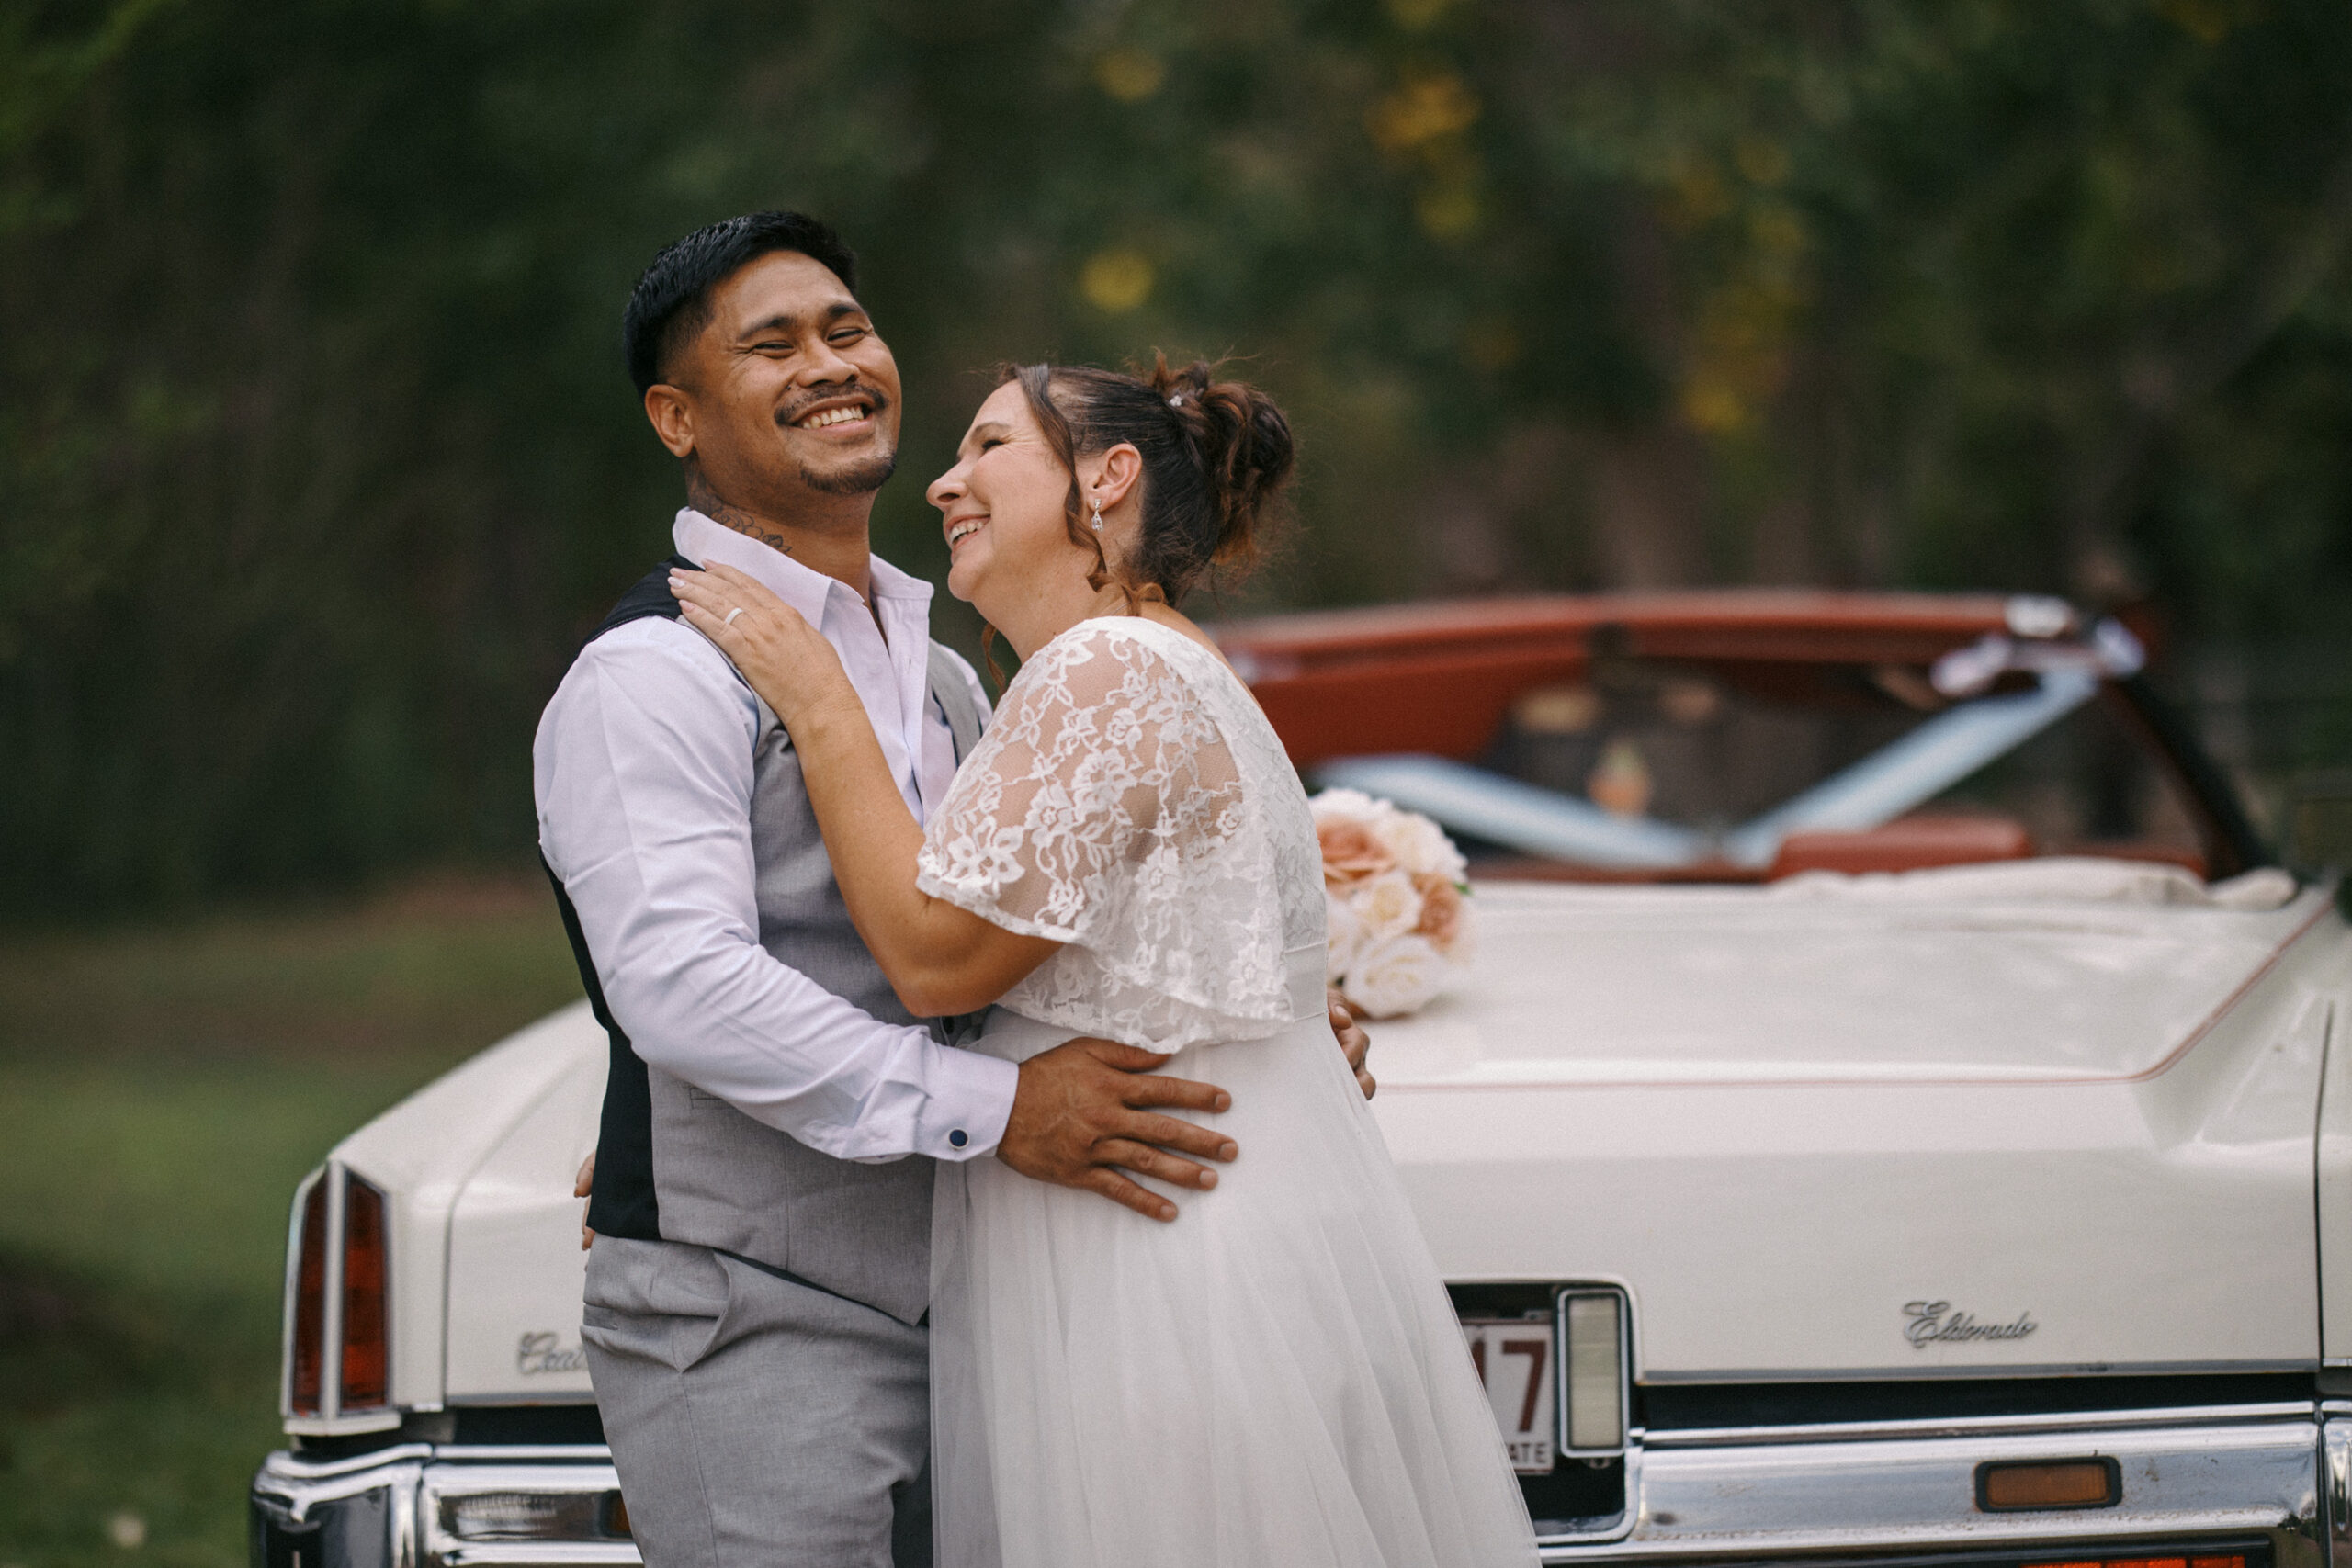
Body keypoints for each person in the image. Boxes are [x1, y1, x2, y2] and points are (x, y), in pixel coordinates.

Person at [534, 211, 1374, 1568]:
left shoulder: (952, 679)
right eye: (772, 345)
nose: (830, 363)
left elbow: (1028, 934)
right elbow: (682, 987)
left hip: (1002, 1306)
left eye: (847, 329)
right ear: (678, 417)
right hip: (764, 1318)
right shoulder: (655, 676)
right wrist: (1002, 1108)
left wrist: (1236, 1020)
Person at [668, 357, 1541, 1566]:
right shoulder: (1146, 662)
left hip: (1159, 1271)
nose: (943, 483)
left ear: (1108, 476)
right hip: (1173, 1228)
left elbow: (934, 961)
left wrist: (820, 706)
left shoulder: (1109, 671)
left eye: (987, 450)